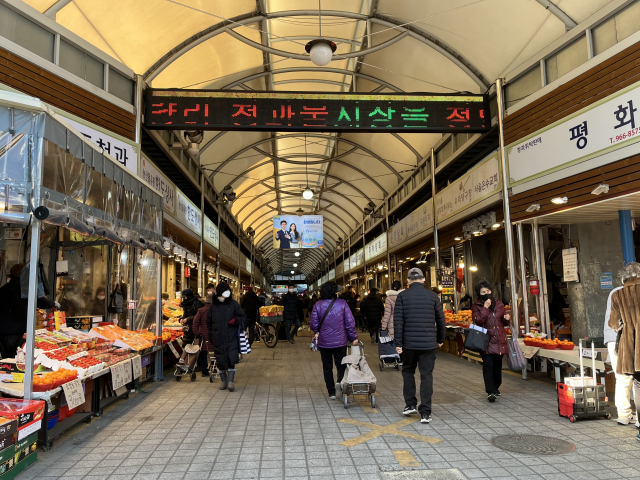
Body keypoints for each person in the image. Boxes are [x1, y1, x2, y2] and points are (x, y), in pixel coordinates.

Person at [394, 267, 445, 424]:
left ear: (408, 281)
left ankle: (410, 405)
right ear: (423, 280)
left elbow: (398, 322)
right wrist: (440, 339)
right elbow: (441, 319)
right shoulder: (433, 296)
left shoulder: (402, 296)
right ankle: (425, 413)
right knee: (426, 375)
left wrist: (398, 343)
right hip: (428, 343)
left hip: (408, 344)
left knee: (408, 371)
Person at [608, 263, 640, 440]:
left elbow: (614, 323)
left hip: (631, 346)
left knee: (637, 384)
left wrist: (625, 325)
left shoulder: (618, 295)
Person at [310, 282, 358, 399]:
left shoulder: (318, 305)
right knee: (341, 365)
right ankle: (340, 384)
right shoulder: (342, 304)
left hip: (324, 341)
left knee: (327, 367)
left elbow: (313, 324)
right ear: (334, 292)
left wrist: (318, 332)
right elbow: (349, 322)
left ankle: (331, 392)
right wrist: (353, 337)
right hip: (340, 341)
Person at [0, 264, 57, 359]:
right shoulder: (25, 289)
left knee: (6, 361)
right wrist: (53, 303)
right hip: (18, 332)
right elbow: (40, 302)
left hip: (2, 333)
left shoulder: (3, 289)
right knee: (18, 358)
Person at [471, 281, 511, 402]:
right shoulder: (476, 306)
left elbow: (504, 323)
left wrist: (506, 319)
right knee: (488, 365)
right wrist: (485, 308)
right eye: (483, 292)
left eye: (488, 291)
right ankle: (490, 391)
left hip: (499, 339)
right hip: (486, 340)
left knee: (497, 366)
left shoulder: (499, 304)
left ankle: (496, 386)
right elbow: (478, 321)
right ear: (479, 294)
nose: (486, 294)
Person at [207, 282, 246, 391]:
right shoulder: (213, 307)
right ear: (220, 293)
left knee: (231, 359)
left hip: (231, 336)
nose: (228, 292)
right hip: (217, 337)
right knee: (220, 360)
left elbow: (243, 317)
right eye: (225, 291)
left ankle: (230, 382)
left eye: (228, 290)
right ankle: (223, 381)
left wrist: (236, 320)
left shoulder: (233, 304)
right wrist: (211, 336)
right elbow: (208, 322)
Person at [604, 284, 633, 424]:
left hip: (613, 339)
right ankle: (628, 414)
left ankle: (623, 414)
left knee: (621, 377)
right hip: (622, 339)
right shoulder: (624, 293)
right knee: (632, 377)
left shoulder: (615, 292)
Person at [179, 288, 206, 373]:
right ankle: (189, 363)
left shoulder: (197, 303)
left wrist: (188, 319)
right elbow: (185, 314)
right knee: (188, 346)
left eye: (185, 296)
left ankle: (199, 365)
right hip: (188, 329)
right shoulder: (186, 304)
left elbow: (198, 316)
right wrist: (182, 319)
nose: (184, 298)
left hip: (196, 328)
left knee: (197, 346)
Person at [192, 290, 214, 376]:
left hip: (203, 335)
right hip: (213, 335)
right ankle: (213, 368)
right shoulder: (216, 310)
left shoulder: (201, 310)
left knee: (204, 353)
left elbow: (195, 322)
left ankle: (204, 371)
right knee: (213, 353)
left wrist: (196, 332)